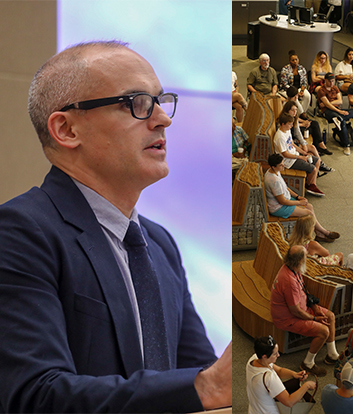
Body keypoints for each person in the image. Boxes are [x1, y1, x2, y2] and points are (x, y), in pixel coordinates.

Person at [0, 41, 231, 412]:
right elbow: (35, 395)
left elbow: (201, 378)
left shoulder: (159, 243)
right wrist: (205, 387)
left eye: (160, 100)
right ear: (66, 129)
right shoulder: (19, 232)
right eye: (137, 103)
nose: (163, 119)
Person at [270, 245, 341, 377]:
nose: (307, 258)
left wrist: (314, 308)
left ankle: (332, 354)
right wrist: (314, 318)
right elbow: (295, 310)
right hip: (288, 318)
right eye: (305, 256)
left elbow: (304, 290)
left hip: (303, 308)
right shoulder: (288, 281)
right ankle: (307, 363)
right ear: (300, 261)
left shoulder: (292, 268)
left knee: (330, 316)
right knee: (323, 331)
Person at [263, 153, 339, 242]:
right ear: (273, 167)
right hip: (278, 207)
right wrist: (299, 203)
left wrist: (298, 197)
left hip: (285, 200)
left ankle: (320, 234)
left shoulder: (274, 171)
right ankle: (324, 233)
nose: (283, 165)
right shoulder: (273, 181)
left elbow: (285, 187)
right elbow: (282, 201)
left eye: (283, 162)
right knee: (308, 214)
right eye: (280, 165)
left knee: (309, 206)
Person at [246, 336, 317, 414]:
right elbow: (289, 402)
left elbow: (279, 371)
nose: (278, 355)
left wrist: (294, 374)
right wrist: (306, 386)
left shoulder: (254, 359)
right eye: (274, 354)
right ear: (265, 357)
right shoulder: (268, 377)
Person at [274, 113, 325, 196]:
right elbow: (285, 154)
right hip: (289, 162)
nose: (291, 126)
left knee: (317, 161)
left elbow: (292, 144)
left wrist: (303, 152)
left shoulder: (286, 131)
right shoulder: (280, 137)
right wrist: (300, 157)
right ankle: (308, 185)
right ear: (283, 124)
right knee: (313, 169)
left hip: (295, 155)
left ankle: (312, 184)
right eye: (289, 124)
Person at [278, 101, 333, 175]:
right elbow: (287, 142)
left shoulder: (294, 119)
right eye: (292, 110)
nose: (295, 112)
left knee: (311, 147)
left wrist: (303, 144)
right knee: (310, 150)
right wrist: (301, 146)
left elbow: (298, 132)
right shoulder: (283, 121)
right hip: (290, 145)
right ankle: (318, 166)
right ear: (287, 110)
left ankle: (320, 164)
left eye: (296, 110)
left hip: (293, 142)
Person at [315, 73, 353, 156]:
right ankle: (346, 145)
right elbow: (327, 106)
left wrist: (328, 103)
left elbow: (340, 101)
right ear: (325, 80)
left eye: (333, 81)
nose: (332, 83)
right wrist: (338, 111)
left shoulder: (335, 88)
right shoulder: (321, 90)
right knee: (342, 120)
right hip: (327, 111)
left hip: (337, 110)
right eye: (329, 81)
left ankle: (338, 118)